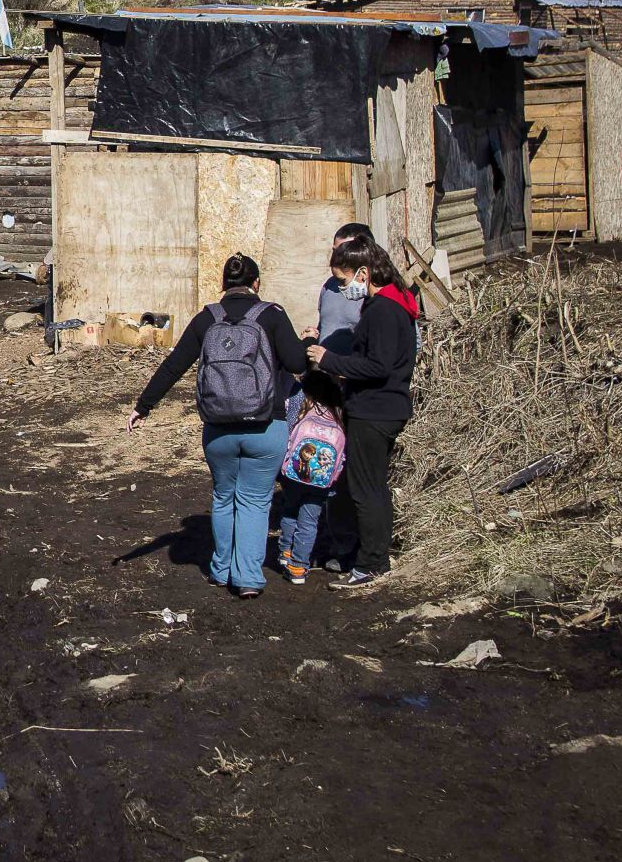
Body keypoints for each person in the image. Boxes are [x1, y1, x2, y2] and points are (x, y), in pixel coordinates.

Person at [127, 254, 308, 599]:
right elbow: (297, 362)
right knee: (255, 501)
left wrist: (143, 406)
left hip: (218, 429)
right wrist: (309, 343)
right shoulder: (272, 314)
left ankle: (221, 569)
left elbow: (174, 365)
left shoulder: (207, 318)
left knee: (225, 497)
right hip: (266, 427)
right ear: (256, 283)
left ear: (223, 285)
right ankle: (248, 577)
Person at [309, 239, 418, 589]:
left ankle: (371, 563)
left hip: (375, 409)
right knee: (373, 486)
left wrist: (330, 360)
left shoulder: (383, 310)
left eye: (344, 280)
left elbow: (378, 365)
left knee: (366, 489)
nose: (343, 289)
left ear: (363, 273)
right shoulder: (392, 303)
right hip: (382, 406)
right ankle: (371, 556)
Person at [276, 371, 346, 585]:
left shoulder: (300, 409)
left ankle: (285, 552)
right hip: (321, 483)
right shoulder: (339, 418)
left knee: (290, 511)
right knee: (309, 522)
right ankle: (299, 567)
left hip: (293, 477)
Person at [302, 222, 373, 356]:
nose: (335, 257)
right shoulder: (330, 285)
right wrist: (313, 336)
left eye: (343, 250)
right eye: (335, 251)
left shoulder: (374, 295)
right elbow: (326, 326)